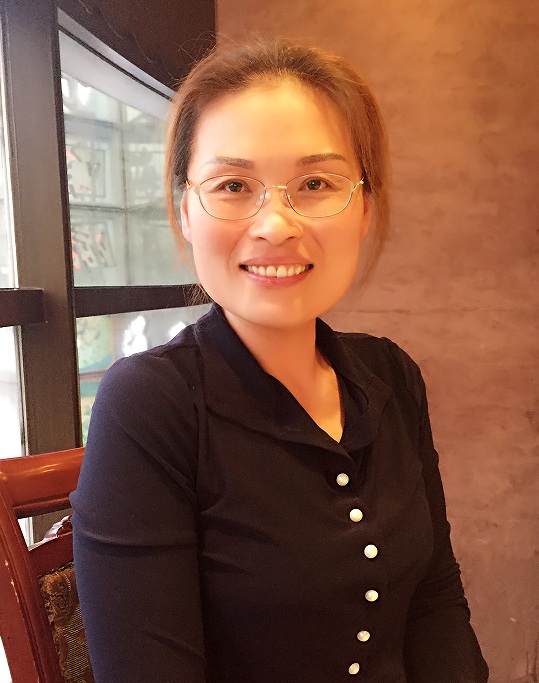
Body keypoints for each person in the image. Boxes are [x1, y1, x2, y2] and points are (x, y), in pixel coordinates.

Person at [71, 39, 489, 682]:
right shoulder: (151, 406)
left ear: (365, 207)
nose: (275, 225)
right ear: (185, 211)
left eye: (315, 184)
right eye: (233, 185)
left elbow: (435, 602)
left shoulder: (392, 375)